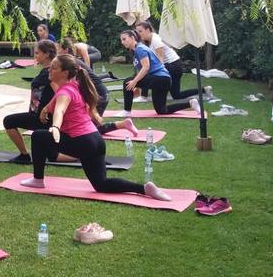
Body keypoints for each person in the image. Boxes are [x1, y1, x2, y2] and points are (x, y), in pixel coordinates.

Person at [19, 54, 172, 201]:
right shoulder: (74, 86)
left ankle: (38, 179)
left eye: (53, 68)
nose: (49, 70)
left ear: (65, 73)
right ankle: (144, 189)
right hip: (96, 141)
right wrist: (46, 109)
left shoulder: (65, 92)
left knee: (38, 136)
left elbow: (60, 109)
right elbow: (57, 102)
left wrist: (56, 127)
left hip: (82, 141)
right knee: (101, 184)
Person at [1, 40, 57, 164]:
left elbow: (60, 94)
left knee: (8, 121)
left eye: (37, 53)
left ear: (47, 54)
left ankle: (24, 155)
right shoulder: (47, 70)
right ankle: (24, 155)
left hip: (42, 118)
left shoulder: (51, 72)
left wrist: (45, 109)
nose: (35, 56)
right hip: (37, 115)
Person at [119, 30, 193, 115]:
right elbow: (143, 71)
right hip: (163, 80)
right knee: (162, 110)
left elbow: (146, 67)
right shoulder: (136, 50)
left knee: (127, 82)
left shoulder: (140, 49)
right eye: (121, 40)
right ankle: (190, 103)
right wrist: (137, 83)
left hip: (161, 79)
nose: (122, 42)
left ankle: (126, 111)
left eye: (124, 39)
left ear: (132, 38)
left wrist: (135, 81)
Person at [135, 20, 198, 102]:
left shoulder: (155, 40)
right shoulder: (147, 41)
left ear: (147, 30)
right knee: (176, 95)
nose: (139, 34)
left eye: (140, 31)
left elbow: (160, 62)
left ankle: (143, 96)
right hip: (170, 65)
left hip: (174, 66)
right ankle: (204, 90)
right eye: (137, 32)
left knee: (148, 72)